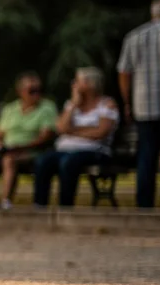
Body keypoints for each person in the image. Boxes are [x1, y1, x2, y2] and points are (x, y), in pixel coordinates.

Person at [118, 0, 160, 209]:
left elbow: (124, 72)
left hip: (143, 106)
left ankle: (144, 204)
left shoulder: (134, 36)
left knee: (146, 155)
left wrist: (127, 101)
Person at [0, 73, 57, 208]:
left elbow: (46, 136)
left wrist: (22, 147)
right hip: (6, 149)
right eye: (32, 90)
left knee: (9, 160)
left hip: (31, 151)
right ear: (20, 91)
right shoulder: (11, 109)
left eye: (39, 90)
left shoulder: (47, 108)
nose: (36, 94)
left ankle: (5, 202)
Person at [33, 67, 119, 208]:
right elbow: (60, 128)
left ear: (91, 84)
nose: (74, 84)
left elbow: (100, 132)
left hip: (95, 150)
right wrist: (73, 104)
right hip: (65, 149)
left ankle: (65, 207)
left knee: (68, 162)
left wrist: (72, 131)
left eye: (78, 81)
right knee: (43, 161)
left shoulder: (107, 104)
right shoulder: (71, 104)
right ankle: (39, 206)